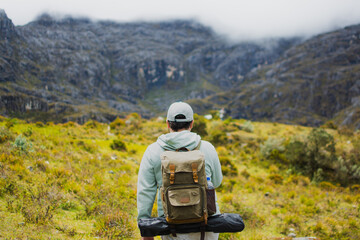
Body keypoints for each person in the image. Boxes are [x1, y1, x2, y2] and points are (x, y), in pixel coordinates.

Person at [137, 101, 223, 240]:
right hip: (207, 226)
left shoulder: (153, 151)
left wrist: (146, 231)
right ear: (192, 123)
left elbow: (145, 192)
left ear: (168, 123)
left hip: (172, 228)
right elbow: (217, 182)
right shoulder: (207, 147)